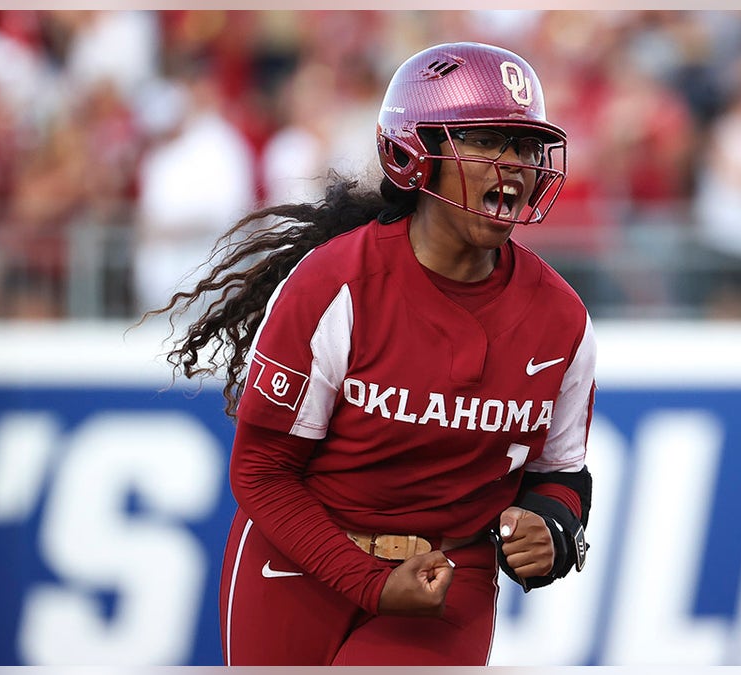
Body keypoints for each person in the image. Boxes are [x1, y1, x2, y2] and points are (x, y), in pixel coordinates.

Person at [149, 42, 595, 666]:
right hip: (299, 560)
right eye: (486, 141)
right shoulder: (335, 285)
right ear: (413, 154)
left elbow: (560, 474)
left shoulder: (562, 320)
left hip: (447, 573)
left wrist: (552, 528)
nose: (513, 165)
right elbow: (261, 471)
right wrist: (372, 581)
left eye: (523, 145)